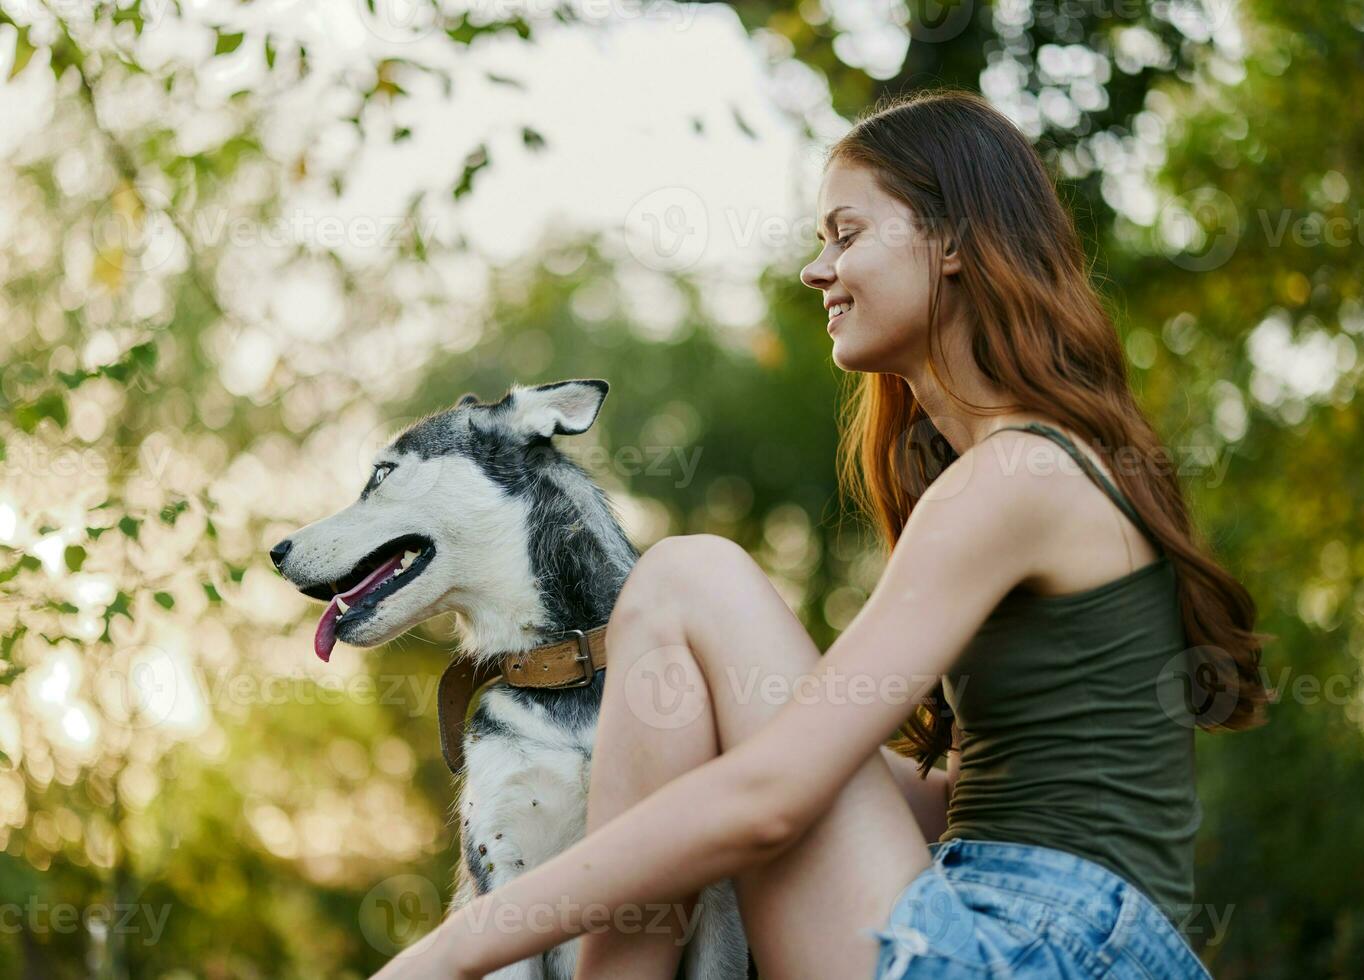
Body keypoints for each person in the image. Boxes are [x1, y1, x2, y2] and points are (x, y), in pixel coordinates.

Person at [371, 87, 1269, 980]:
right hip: (1075, 941)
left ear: (953, 240)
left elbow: (774, 803)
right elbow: (970, 799)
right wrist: (708, 731)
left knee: (688, 580)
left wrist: (449, 952)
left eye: (847, 233)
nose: (817, 269)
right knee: (723, 702)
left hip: (1039, 947)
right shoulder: (1028, 472)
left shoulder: (1016, 473)